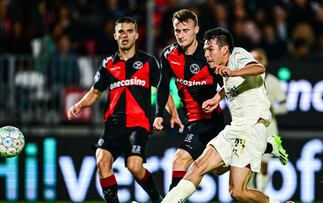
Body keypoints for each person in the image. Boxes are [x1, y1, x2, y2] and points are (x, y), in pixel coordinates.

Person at [161, 27, 285, 203]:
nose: (206, 54)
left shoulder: (238, 55)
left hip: (251, 130)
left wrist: (233, 72)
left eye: (210, 49)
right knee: (198, 167)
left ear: (224, 49)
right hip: (235, 128)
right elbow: (233, 86)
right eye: (204, 50)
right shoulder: (223, 68)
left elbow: (258, 68)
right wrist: (216, 98)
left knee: (237, 192)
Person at [67, 17, 177, 203]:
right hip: (114, 125)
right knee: (102, 159)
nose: (125, 35)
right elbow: (95, 92)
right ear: (115, 35)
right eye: (121, 31)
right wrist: (79, 105)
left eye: (129, 31)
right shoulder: (108, 64)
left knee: (135, 167)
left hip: (138, 125)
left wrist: (172, 113)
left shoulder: (148, 62)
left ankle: (157, 199)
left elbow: (162, 90)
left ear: (136, 35)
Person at [153, 9, 226, 191]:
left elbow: (227, 84)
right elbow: (163, 86)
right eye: (178, 31)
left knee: (180, 159)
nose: (181, 35)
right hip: (191, 121)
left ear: (196, 30)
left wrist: (217, 98)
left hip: (210, 121)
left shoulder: (209, 55)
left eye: (186, 30)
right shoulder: (168, 55)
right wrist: (159, 114)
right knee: (218, 170)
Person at [250, 48, 288, 192]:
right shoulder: (243, 80)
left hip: (268, 128)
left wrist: (274, 109)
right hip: (250, 128)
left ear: (265, 61)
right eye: (253, 58)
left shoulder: (272, 81)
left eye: (259, 58)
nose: (256, 61)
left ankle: (260, 194)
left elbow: (284, 106)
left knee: (263, 165)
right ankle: (250, 196)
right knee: (247, 166)